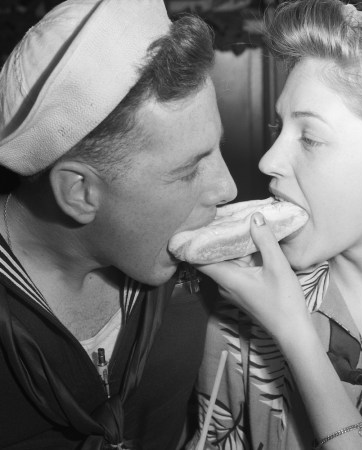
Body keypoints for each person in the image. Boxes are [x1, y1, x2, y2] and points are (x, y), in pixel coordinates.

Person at [190, 0, 362, 449]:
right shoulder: (241, 311)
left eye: (309, 138)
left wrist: (295, 335)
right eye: (278, 128)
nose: (268, 160)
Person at [0, 0, 237, 448]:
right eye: (190, 169)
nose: (227, 189)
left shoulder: (201, 284)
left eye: (217, 149)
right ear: (80, 193)